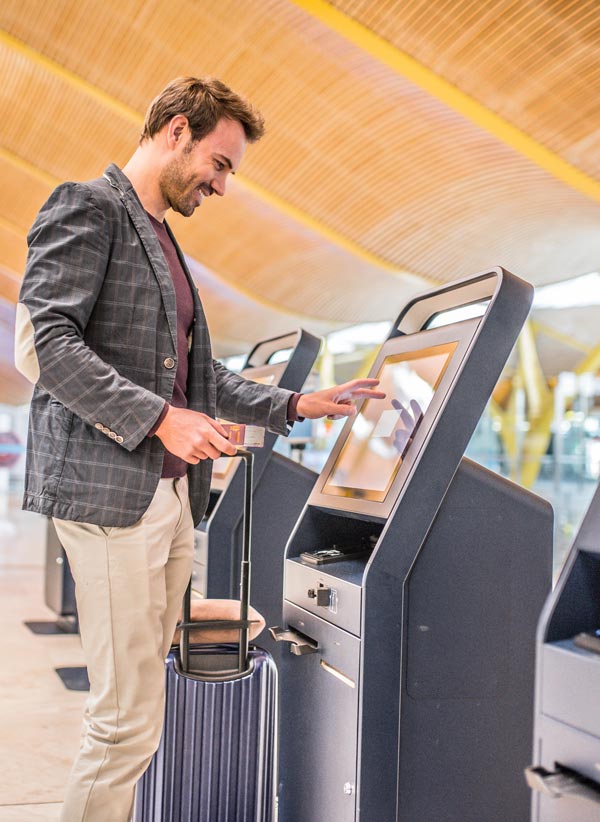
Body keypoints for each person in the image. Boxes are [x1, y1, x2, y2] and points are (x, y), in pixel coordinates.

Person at [14, 76, 385, 822]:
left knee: (141, 714)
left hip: (165, 496)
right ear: (177, 131)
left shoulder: (163, 240)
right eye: (219, 164)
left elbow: (196, 376)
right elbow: (44, 345)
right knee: (124, 725)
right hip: (112, 497)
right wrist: (159, 420)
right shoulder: (88, 207)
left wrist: (293, 404)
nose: (222, 185)